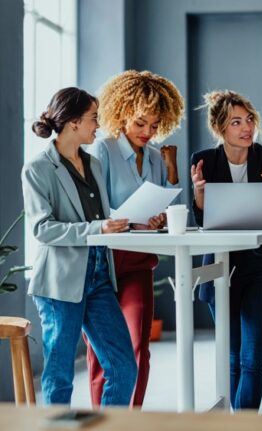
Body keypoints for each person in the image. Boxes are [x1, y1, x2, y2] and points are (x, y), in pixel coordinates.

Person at [23, 87, 137, 406]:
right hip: (60, 283)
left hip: (99, 276)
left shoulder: (94, 164)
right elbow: (41, 228)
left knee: (124, 368)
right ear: (72, 122)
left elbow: (100, 217)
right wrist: (98, 227)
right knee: (60, 377)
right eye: (93, 118)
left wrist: (130, 222)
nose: (97, 125)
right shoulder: (38, 168)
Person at [189, 90, 262, 410]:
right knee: (232, 358)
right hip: (220, 265)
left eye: (249, 120)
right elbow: (202, 218)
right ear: (220, 128)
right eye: (236, 122)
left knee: (252, 360)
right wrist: (198, 192)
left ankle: (244, 424)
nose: (246, 127)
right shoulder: (203, 161)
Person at [85, 70, 185, 408]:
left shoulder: (156, 157)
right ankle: (103, 419)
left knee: (138, 346)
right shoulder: (103, 149)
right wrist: (131, 218)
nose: (148, 132)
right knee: (104, 351)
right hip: (105, 262)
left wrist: (169, 179)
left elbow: (163, 205)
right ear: (123, 113)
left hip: (139, 260)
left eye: (155, 125)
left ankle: (132, 418)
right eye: (141, 123)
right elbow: (97, 207)